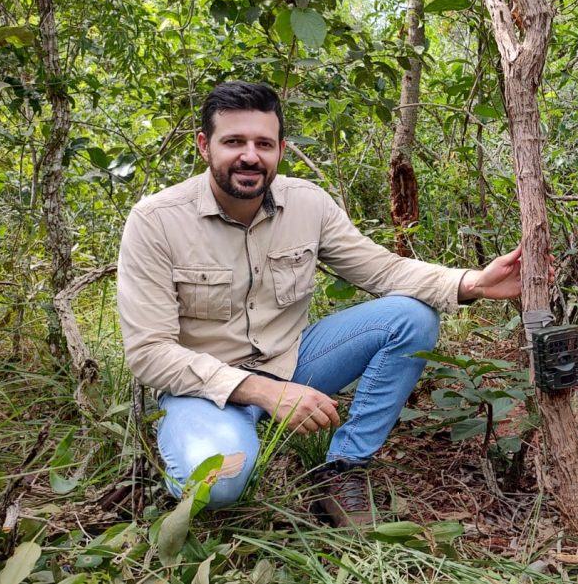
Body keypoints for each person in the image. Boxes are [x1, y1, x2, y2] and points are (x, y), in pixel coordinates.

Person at [117, 81, 524, 526]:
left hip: (291, 362)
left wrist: (474, 283)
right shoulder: (156, 221)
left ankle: (341, 471)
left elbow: (382, 270)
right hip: (204, 390)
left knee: (410, 317)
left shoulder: (307, 203)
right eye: (233, 142)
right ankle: (203, 436)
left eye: (263, 144)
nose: (250, 156)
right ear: (204, 146)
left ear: (280, 149)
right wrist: (265, 393)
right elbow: (149, 351)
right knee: (218, 483)